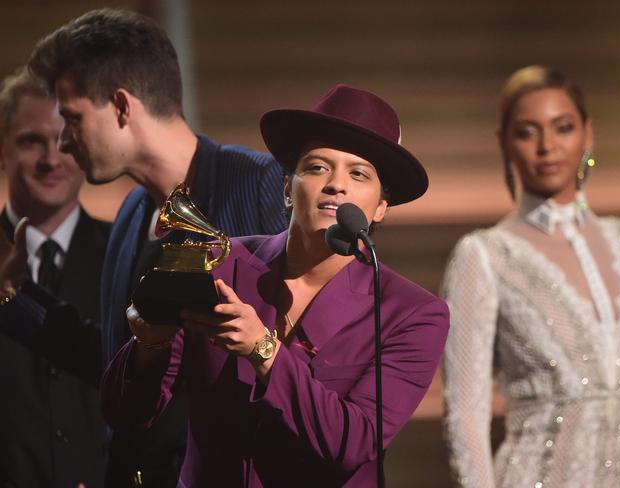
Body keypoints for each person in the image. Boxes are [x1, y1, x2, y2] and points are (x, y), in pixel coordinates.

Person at [101, 84, 449, 487]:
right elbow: (128, 415)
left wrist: (263, 350)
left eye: (358, 174)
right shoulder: (220, 266)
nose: (336, 184)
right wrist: (149, 346)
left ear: (381, 206)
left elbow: (353, 443)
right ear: (287, 189)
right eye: (317, 167)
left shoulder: (413, 313)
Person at [28, 8, 286, 488]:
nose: (63, 141)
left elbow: (295, 354)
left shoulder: (256, 184)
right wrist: (14, 294)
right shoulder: (129, 216)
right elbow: (114, 360)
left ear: (123, 107)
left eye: (72, 118)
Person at [442, 65, 620, 488]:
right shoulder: (483, 256)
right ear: (504, 143)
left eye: (563, 127)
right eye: (527, 132)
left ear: (588, 133)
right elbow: (465, 412)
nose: (547, 146)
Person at [0, 67, 110, 488]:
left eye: (63, 140)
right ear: (3, 148)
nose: (51, 159)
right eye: (32, 141)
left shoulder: (130, 255)